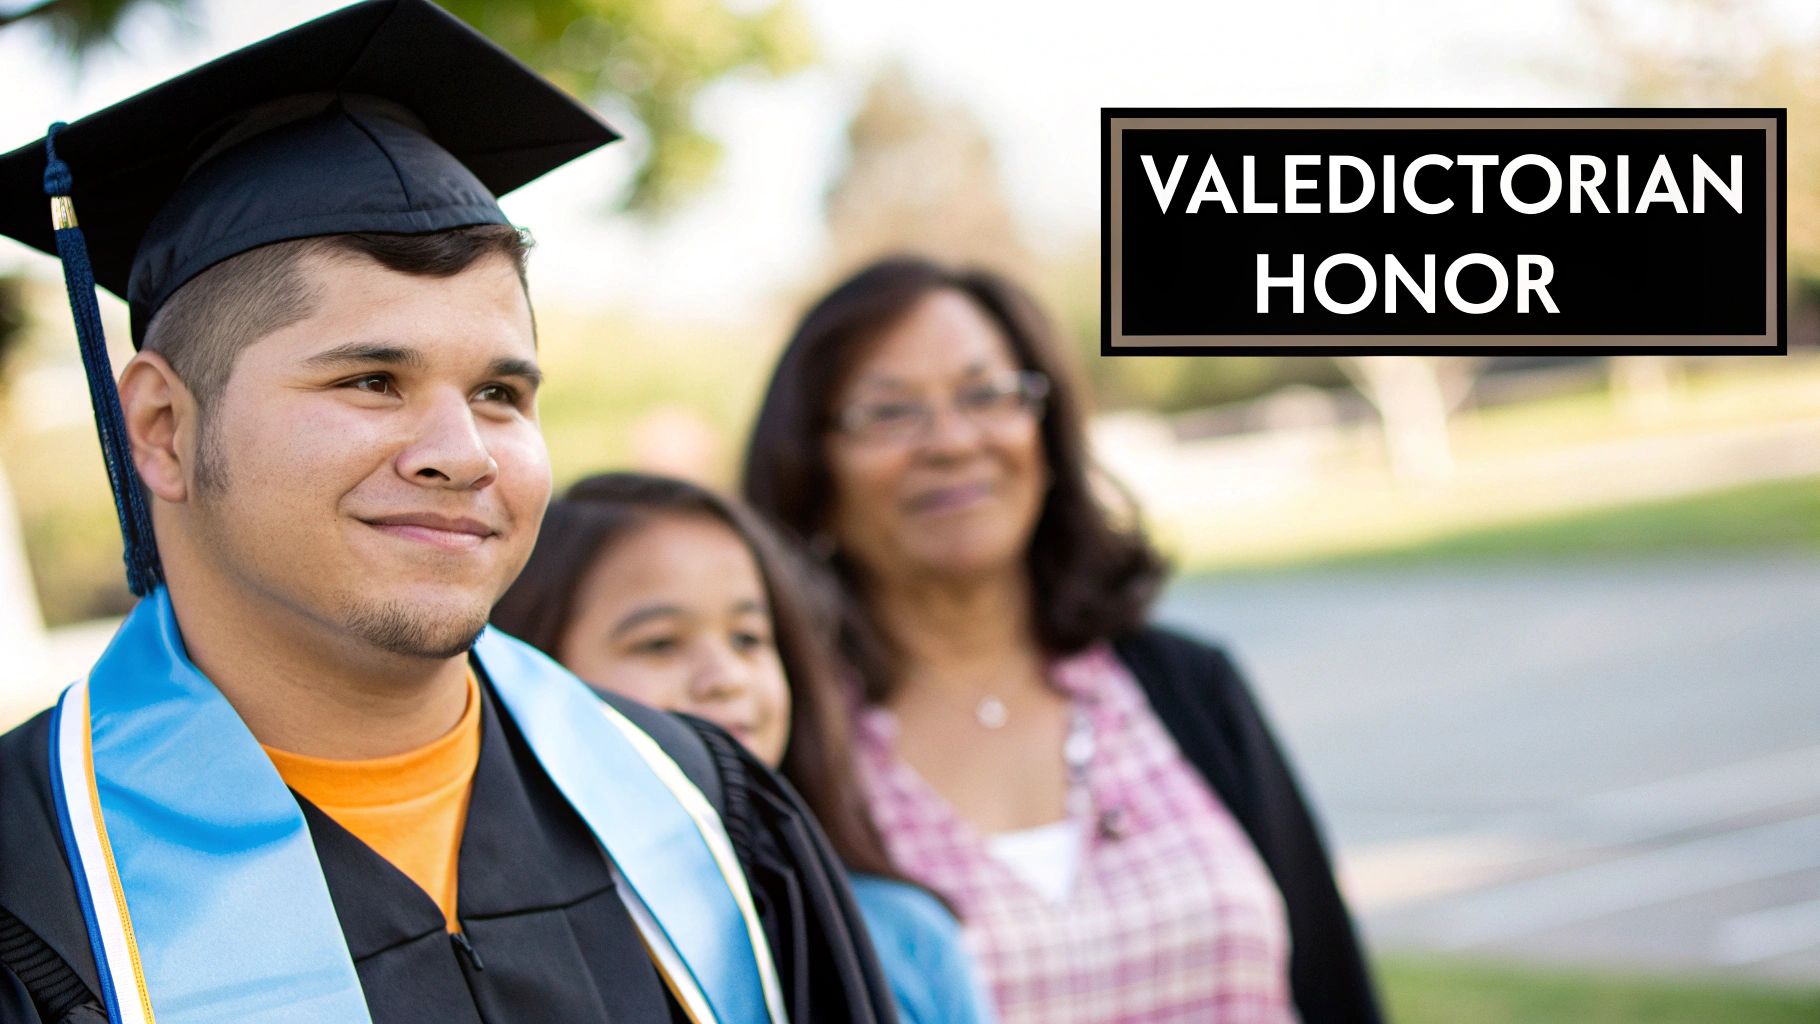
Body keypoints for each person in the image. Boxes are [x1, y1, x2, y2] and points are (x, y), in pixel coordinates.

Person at [0, 3, 894, 1022]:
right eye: (373, 380)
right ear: (160, 426)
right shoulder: (31, 885)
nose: (461, 454)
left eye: (500, 395)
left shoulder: (699, 811)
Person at [740, 255, 1383, 1023]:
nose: (950, 441)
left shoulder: (1187, 687)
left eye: (987, 394)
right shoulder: (793, 747)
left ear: (1044, 434)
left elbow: (1334, 985)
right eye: (888, 412)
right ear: (810, 469)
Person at [492, 471, 997, 1024]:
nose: (726, 677)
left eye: (749, 638)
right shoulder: (500, 949)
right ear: (536, 671)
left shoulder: (905, 934)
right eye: (659, 643)